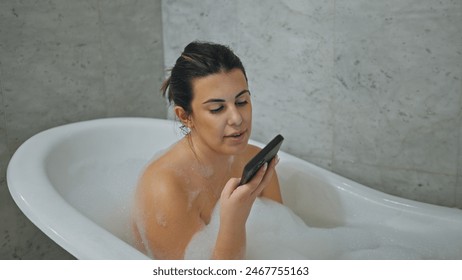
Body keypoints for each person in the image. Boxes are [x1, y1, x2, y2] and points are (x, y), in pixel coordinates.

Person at [132, 41, 283, 260]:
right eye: (217, 108)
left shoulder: (253, 158)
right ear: (185, 116)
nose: (237, 118)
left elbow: (284, 245)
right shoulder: (165, 189)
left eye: (242, 101)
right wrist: (234, 221)